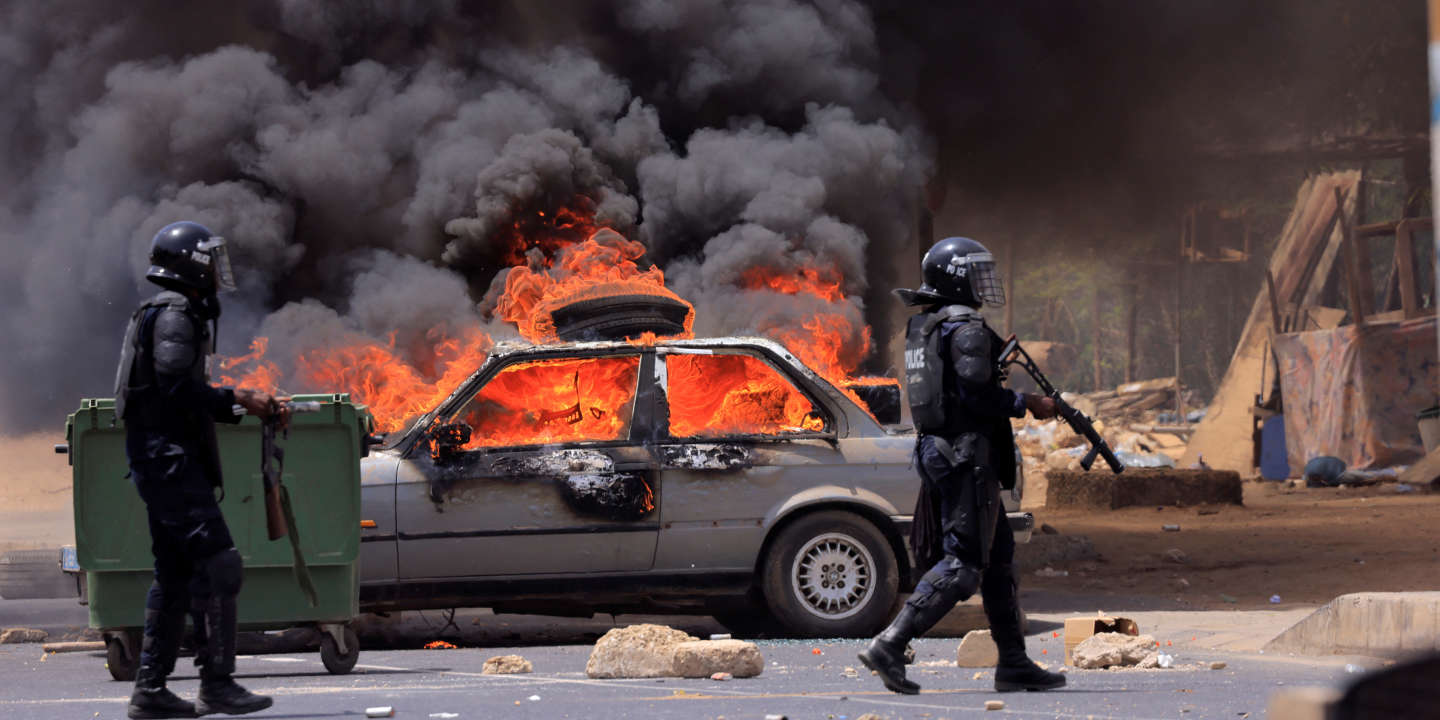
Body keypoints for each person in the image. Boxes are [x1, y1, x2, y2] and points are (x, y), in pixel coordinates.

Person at [857, 236, 1066, 695]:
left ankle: (1012, 662)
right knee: (964, 565)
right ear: (957, 278)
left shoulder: (926, 327)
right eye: (976, 274)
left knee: (999, 562)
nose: (983, 284)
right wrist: (1026, 401)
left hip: (944, 450)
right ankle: (890, 644)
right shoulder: (966, 328)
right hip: (966, 456)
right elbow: (976, 394)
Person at [115, 221, 286, 719]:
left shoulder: (171, 311)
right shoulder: (174, 314)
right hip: (167, 461)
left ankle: (150, 691)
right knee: (220, 563)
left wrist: (242, 404)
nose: (217, 271)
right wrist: (238, 398)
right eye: (209, 260)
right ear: (189, 263)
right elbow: (175, 390)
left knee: (174, 573)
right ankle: (217, 684)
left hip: (162, 459)